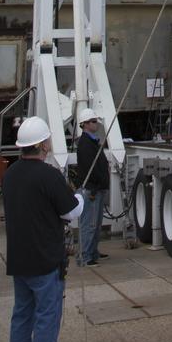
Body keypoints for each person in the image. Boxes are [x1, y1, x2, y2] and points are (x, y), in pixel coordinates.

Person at [2, 116, 84, 342]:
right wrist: (80, 198)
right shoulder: (48, 176)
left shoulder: (11, 175)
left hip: (19, 260)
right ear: (43, 145)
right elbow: (71, 212)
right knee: (48, 320)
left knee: (22, 318)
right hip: (45, 260)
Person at [76, 110, 110, 267]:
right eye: (93, 121)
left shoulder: (92, 141)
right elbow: (91, 167)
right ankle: (85, 256)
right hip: (92, 190)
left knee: (95, 225)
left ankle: (93, 252)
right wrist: (99, 182)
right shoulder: (85, 143)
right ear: (85, 124)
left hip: (97, 188)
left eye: (96, 121)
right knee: (89, 224)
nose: (96, 123)